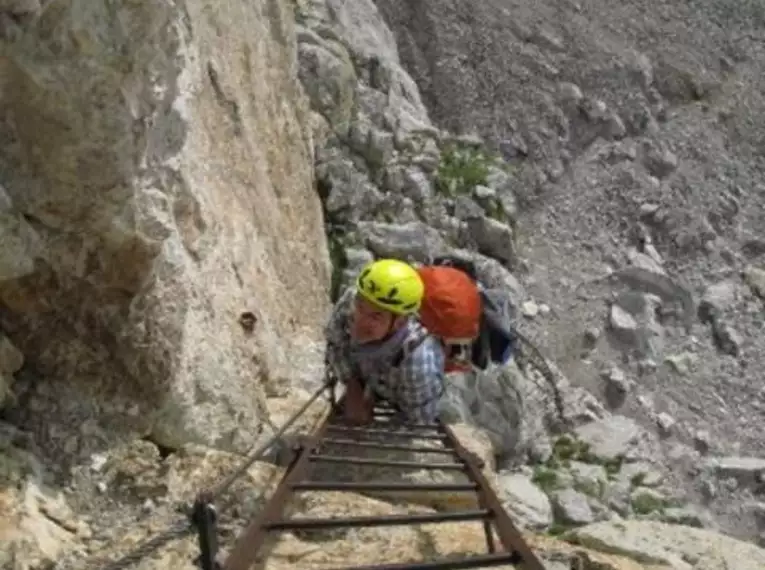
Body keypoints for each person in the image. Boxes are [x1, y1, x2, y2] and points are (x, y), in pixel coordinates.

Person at [325, 258, 445, 425]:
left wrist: (379, 428)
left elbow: (419, 418)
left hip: (401, 389)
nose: (361, 321)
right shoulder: (351, 301)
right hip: (372, 372)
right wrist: (353, 384)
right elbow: (335, 343)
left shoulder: (416, 359)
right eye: (360, 307)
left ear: (400, 322)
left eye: (376, 316)